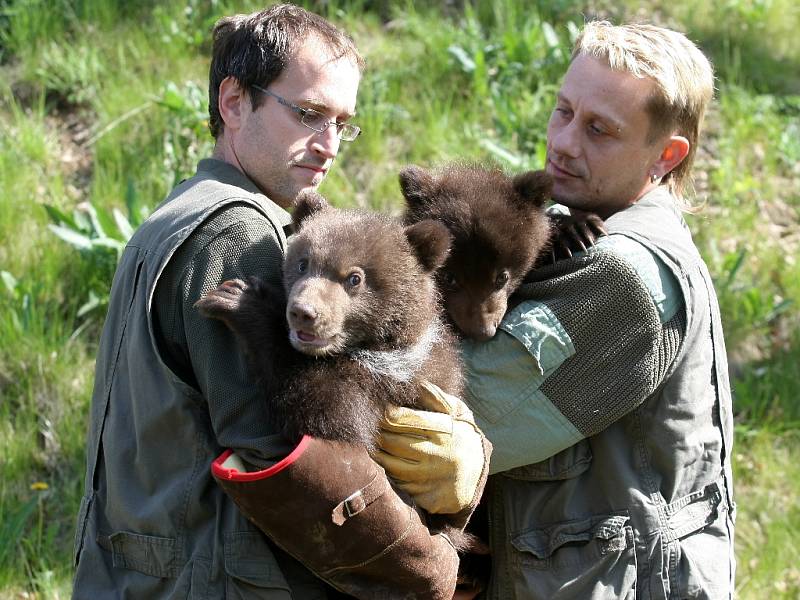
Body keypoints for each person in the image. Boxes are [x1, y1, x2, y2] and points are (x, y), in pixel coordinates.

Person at [72, 5, 486, 598]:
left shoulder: (173, 216)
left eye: (344, 123)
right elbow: (289, 455)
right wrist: (435, 566)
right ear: (234, 101)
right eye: (310, 114)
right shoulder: (238, 231)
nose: (330, 144)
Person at [376, 20, 735, 600]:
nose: (565, 142)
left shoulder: (625, 277)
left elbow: (439, 411)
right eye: (564, 111)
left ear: (665, 156)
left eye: (601, 129)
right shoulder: (584, 231)